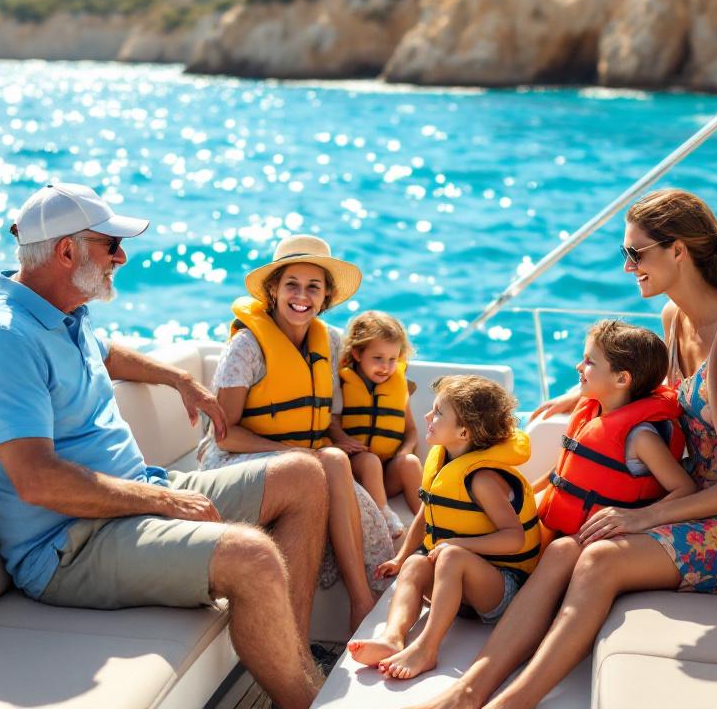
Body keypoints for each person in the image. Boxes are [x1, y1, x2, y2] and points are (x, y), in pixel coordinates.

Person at [410, 188, 717, 709]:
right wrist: (586, 393)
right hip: (700, 503)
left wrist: (646, 516)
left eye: (636, 252)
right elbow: (667, 403)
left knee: (600, 559)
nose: (628, 266)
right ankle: (469, 688)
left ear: (678, 250)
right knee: (564, 546)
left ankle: (507, 702)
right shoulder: (677, 320)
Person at [0, 183, 329, 709]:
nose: (121, 257)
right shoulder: (3, 340)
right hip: (70, 545)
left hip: (134, 496)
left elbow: (108, 355)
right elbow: (37, 480)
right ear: (66, 252)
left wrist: (178, 379)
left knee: (306, 474)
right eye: (111, 246)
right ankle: (303, 702)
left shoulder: (61, 314)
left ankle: (297, 662)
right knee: (252, 555)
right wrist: (166, 502)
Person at [198, 234, 389, 632]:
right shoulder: (246, 347)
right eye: (292, 285)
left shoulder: (331, 341)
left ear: (326, 297)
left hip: (302, 459)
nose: (302, 296)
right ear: (273, 290)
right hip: (235, 461)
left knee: (336, 459)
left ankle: (362, 602)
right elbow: (223, 435)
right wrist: (289, 451)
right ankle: (361, 602)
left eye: (313, 288)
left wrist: (337, 438)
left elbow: (323, 412)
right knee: (329, 463)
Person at [348, 375, 542, 681]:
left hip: (500, 590)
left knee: (451, 556)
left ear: (463, 431)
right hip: (455, 590)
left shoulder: (482, 480)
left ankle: (427, 648)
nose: (427, 416)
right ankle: (393, 637)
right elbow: (428, 512)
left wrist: (460, 545)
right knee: (414, 563)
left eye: (438, 413)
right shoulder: (442, 465)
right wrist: (401, 559)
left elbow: (514, 538)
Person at [534, 319, 695, 539]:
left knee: (559, 551)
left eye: (589, 362)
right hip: (564, 523)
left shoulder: (642, 438)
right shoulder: (593, 412)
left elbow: (685, 489)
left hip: (601, 534)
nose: (578, 366)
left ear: (621, 379)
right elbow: (564, 472)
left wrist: (640, 517)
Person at [331, 311, 422, 537]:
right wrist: (343, 439)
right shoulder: (343, 383)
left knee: (410, 462)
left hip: (386, 474)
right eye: (378, 358)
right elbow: (330, 420)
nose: (386, 366)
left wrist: (404, 451)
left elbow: (410, 430)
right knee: (370, 460)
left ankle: (428, 523)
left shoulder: (397, 387)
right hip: (356, 471)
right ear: (357, 353)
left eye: (393, 359)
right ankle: (384, 516)